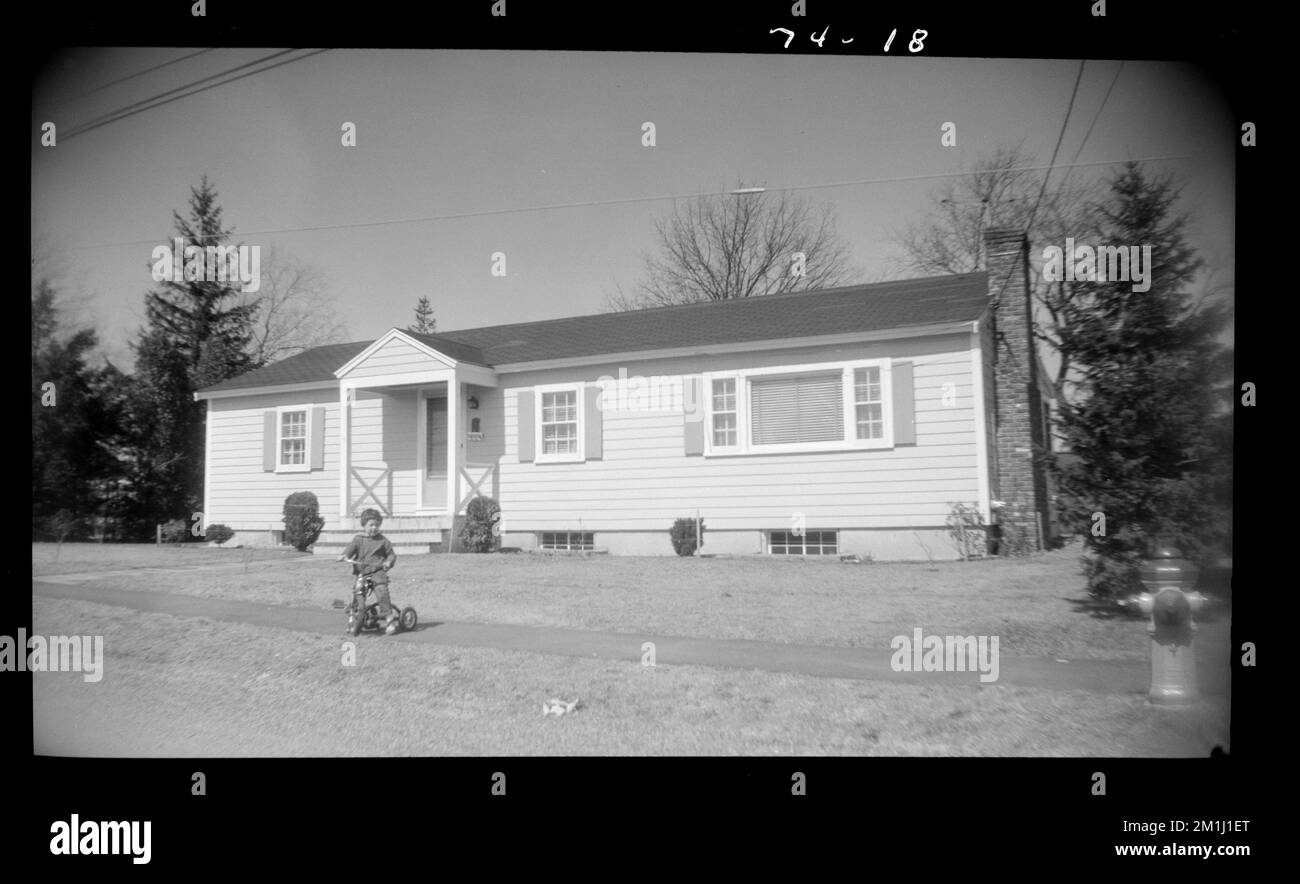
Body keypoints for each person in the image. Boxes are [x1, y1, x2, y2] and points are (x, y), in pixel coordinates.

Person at [339, 508, 399, 634]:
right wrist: (344, 555)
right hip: (362, 572)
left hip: (377, 571)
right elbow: (350, 549)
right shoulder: (358, 539)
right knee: (357, 592)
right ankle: (354, 618)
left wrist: (388, 562)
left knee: (381, 590)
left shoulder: (383, 541)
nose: (374, 528)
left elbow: (391, 555)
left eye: (377, 525)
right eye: (371, 525)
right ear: (364, 525)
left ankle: (389, 619)